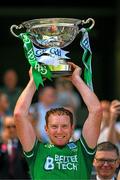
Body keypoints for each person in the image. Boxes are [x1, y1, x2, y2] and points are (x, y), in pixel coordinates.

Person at [14, 62, 102, 179]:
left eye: (64, 126)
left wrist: (76, 80)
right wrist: (33, 82)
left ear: (72, 128)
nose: (59, 131)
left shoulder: (83, 151)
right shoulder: (37, 151)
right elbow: (19, 115)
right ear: (46, 129)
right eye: (54, 126)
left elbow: (96, 111)